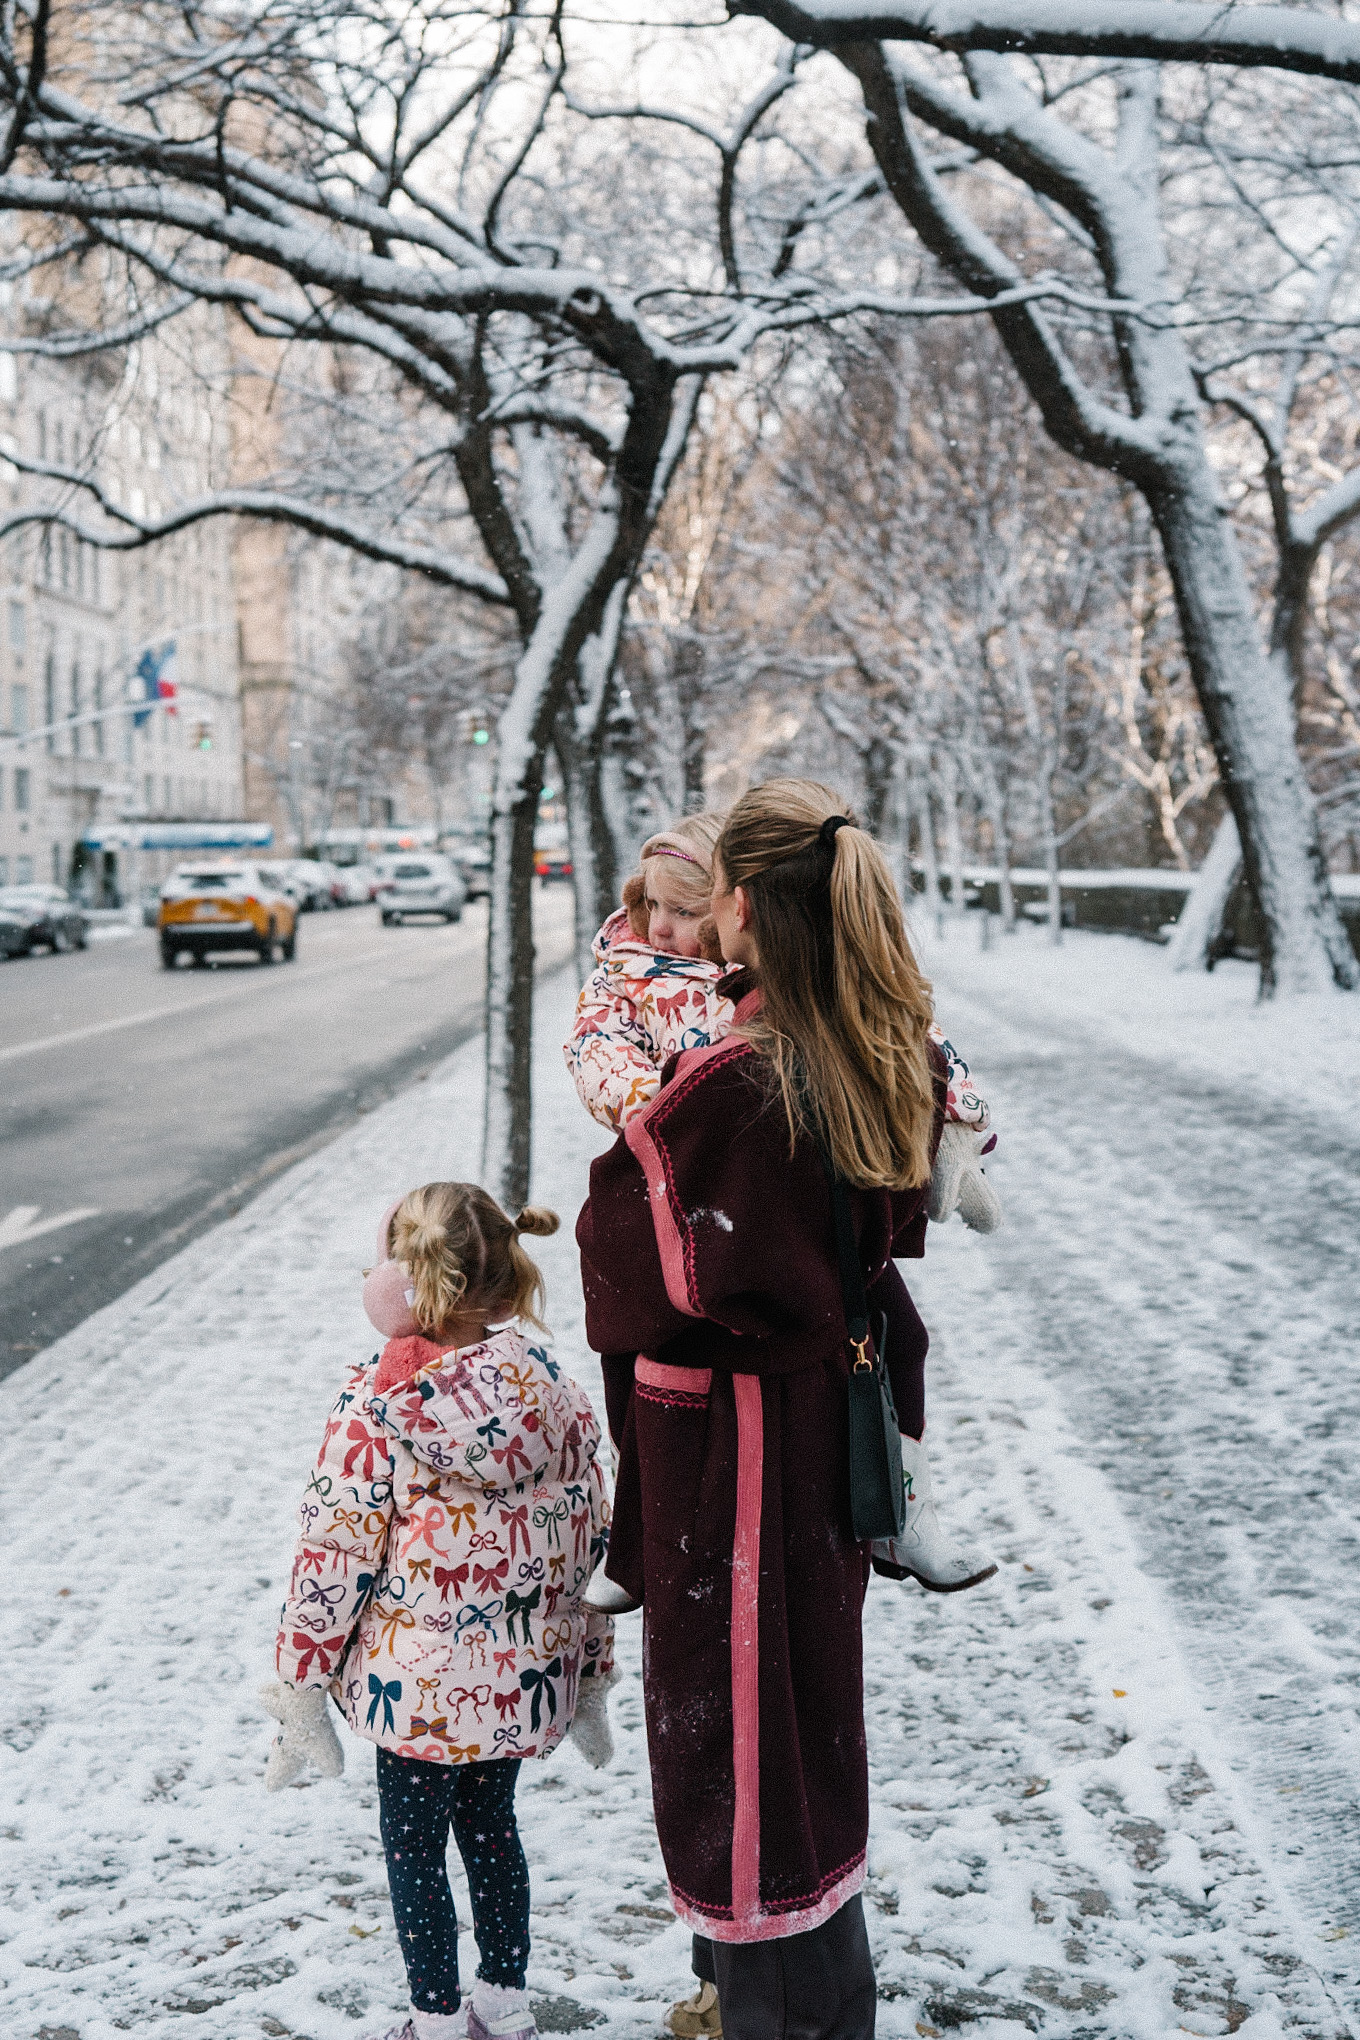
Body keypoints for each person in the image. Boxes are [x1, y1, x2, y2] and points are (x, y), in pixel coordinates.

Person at [577, 780, 995, 2040]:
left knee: (739, 1738)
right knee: (802, 1717)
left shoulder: (736, 1083)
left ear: (745, 905)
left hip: (736, 1454)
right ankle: (802, 2002)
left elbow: (649, 1271)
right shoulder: (875, 1042)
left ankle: (772, 2015)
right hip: (814, 1425)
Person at [566, 806, 998, 1621]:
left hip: (796, 1197)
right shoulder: (626, 975)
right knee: (638, 1356)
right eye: (650, 903)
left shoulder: (801, 976)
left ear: (738, 909)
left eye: (687, 909)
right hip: (690, 1186)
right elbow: (596, 1051)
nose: (663, 925)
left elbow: (920, 1045)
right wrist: (665, 1107)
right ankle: (633, 1538)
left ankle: (902, 1506)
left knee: (899, 1338)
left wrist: (961, 1133)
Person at [263, 1183, 615, 2040]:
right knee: (493, 1830)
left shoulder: (376, 1409)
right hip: (520, 1681)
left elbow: (333, 1556)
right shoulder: (554, 1391)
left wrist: (301, 1683)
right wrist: (594, 1675)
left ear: (402, 1284)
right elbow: (591, 1540)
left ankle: (434, 2019)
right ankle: (505, 2004)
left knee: (414, 1849)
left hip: (413, 1694)